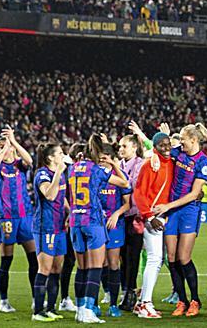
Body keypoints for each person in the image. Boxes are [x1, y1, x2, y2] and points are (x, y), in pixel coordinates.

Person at [152, 123, 207, 317]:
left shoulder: (203, 162)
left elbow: (195, 193)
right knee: (171, 258)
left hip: (188, 210)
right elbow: (156, 151)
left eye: (183, 139)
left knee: (183, 257)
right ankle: (182, 300)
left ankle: (195, 300)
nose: (180, 142)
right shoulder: (178, 152)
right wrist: (164, 137)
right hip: (172, 211)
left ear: (193, 140)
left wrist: (168, 207)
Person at [67, 135, 130, 324]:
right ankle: (88, 311)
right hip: (93, 221)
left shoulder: (72, 168)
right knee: (95, 267)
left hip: (75, 221)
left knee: (81, 268)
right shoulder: (97, 170)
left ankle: (79, 309)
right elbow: (124, 183)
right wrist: (113, 164)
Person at [0, 127, 38, 314]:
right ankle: (4, 301)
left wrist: (13, 142)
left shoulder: (19, 165)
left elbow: (30, 160)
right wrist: (3, 149)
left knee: (33, 260)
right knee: (6, 261)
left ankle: (36, 298)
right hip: (7, 219)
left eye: (3, 147)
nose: (0, 150)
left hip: (25, 217)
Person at [129, 123, 174, 319]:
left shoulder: (168, 161)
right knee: (154, 259)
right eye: (162, 145)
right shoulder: (150, 164)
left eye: (168, 144)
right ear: (155, 147)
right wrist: (149, 216)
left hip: (159, 216)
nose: (166, 148)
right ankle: (145, 303)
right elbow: (139, 193)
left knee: (156, 260)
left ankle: (142, 302)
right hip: (152, 217)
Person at [31, 143, 69, 323]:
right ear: (50, 158)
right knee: (44, 269)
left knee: (56, 269)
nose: (63, 156)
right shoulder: (43, 174)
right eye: (60, 153)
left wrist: (70, 213)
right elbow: (50, 195)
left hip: (60, 226)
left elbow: (62, 199)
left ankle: (51, 308)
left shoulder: (59, 175)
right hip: (45, 227)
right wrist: (60, 173)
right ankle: (38, 311)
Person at [100, 138, 134, 318]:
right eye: (100, 159)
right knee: (99, 263)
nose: (102, 162)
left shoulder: (120, 178)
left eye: (105, 158)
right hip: (97, 224)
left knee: (113, 263)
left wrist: (116, 214)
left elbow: (128, 204)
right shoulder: (95, 174)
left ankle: (114, 304)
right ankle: (103, 295)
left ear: (112, 159)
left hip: (115, 224)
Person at [116, 134, 146, 313]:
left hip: (135, 216)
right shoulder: (118, 164)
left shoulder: (141, 165)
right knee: (122, 256)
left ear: (134, 147)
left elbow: (133, 185)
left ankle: (131, 292)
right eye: (120, 146)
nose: (120, 149)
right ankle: (125, 290)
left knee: (133, 255)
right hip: (120, 216)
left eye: (124, 146)